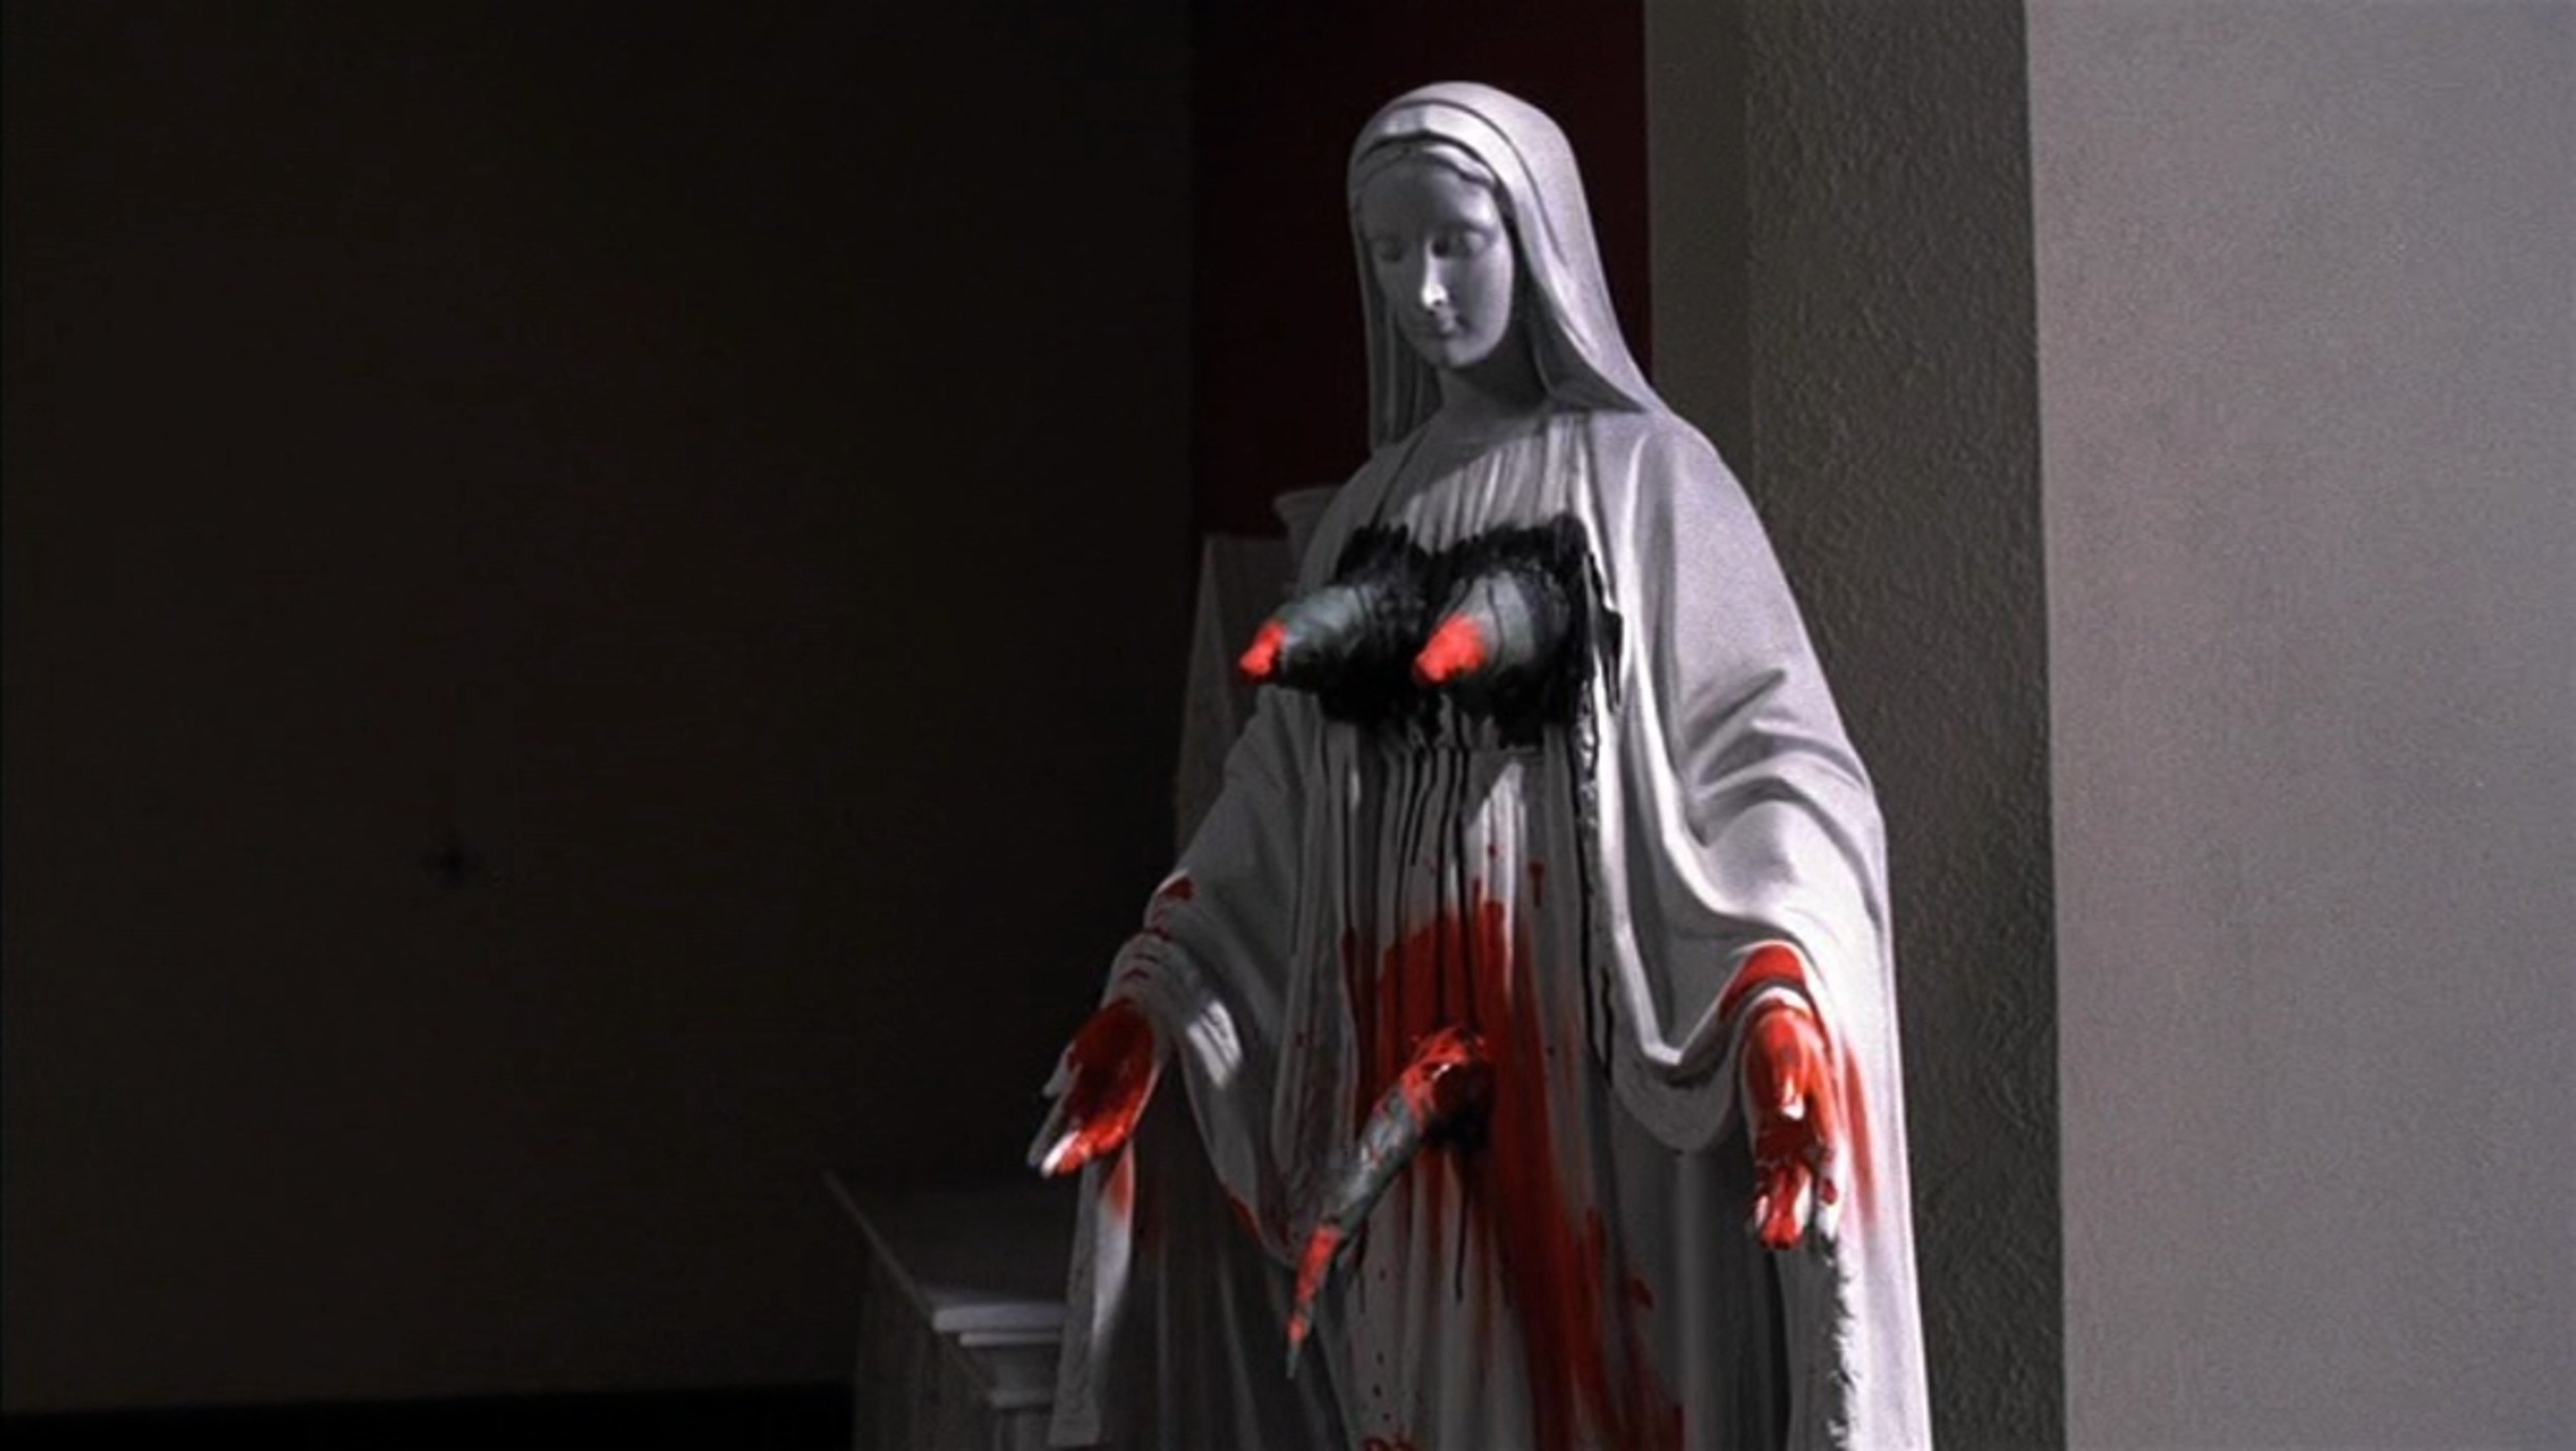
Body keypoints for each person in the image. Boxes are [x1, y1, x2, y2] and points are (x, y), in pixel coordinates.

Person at [1029, 82, 1931, 1451]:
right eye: (1391, 253)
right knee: (1423, 1395)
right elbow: (1274, 803)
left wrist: (1779, 987)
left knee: (1596, 1383)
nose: (1426, 291)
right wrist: (1155, 998)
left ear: (1538, 239)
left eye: (1457, 243)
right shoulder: (1370, 509)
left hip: (1589, 1062)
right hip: (1392, 1041)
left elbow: (1773, 760)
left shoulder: (1652, 480)